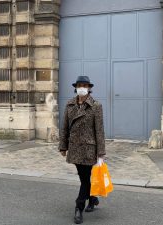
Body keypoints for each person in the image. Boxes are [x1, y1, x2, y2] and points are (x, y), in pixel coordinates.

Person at [59, 76, 106, 224]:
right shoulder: (69, 104)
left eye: (85, 85)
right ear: (76, 87)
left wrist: (101, 153)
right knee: (83, 178)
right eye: (80, 85)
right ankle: (93, 199)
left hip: (89, 149)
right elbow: (65, 127)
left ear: (89, 88)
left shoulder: (96, 106)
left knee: (84, 181)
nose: (82, 88)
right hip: (74, 147)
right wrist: (63, 146)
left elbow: (99, 130)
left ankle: (79, 207)